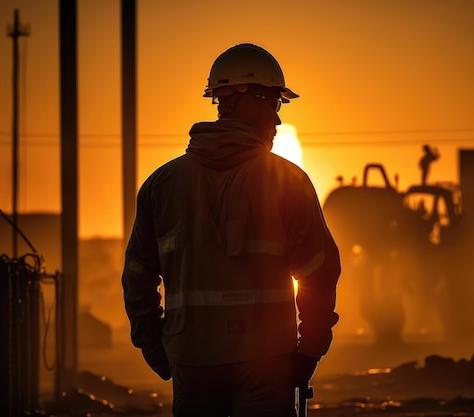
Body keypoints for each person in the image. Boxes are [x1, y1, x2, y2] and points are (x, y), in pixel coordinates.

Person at [122, 43, 341, 417]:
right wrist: (310, 349)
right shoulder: (287, 181)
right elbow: (318, 271)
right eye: (274, 104)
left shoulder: (162, 185)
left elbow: (138, 275)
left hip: (193, 358)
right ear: (244, 99)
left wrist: (155, 346)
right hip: (267, 360)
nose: (277, 120)